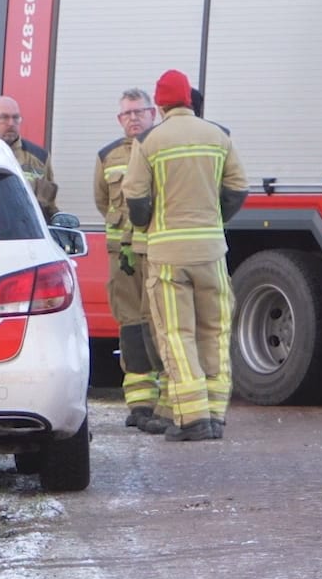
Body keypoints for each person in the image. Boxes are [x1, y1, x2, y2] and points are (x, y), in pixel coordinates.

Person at [122, 69, 247, 442]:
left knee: (177, 334)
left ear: (159, 104)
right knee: (214, 331)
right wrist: (214, 219)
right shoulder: (218, 136)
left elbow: (136, 197)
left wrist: (149, 222)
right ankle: (214, 415)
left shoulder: (149, 141)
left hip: (168, 256)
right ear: (189, 101)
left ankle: (192, 419)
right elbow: (237, 187)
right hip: (212, 252)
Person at [94, 89, 170, 431]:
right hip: (122, 259)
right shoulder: (107, 156)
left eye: (139, 112)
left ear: (154, 113)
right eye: (127, 113)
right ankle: (140, 404)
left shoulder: (164, 148)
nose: (133, 118)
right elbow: (102, 201)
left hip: (159, 252)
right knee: (131, 326)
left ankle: (168, 401)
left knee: (163, 324)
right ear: (119, 119)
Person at [0, 95, 59, 221]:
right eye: (4, 118)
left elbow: (50, 206)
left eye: (15, 118)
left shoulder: (40, 158)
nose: (11, 123)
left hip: (28, 234)